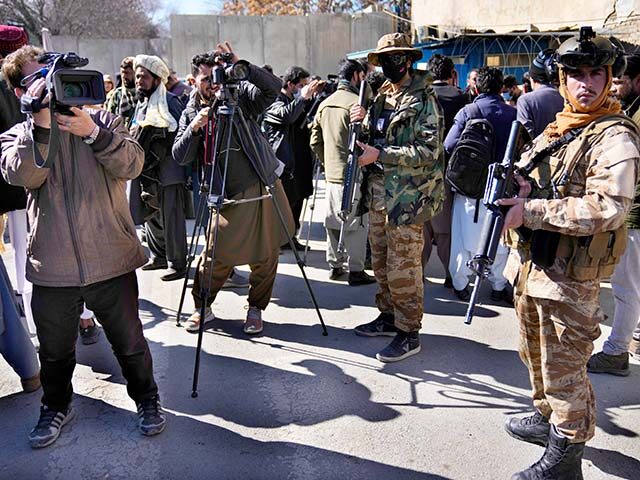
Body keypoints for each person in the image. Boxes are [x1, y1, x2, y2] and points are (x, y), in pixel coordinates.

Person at [1, 45, 166, 448]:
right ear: (20, 91)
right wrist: (41, 127)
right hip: (53, 264)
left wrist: (92, 132)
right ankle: (55, 405)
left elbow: (132, 165)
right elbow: (20, 175)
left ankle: (147, 399)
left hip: (110, 256)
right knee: (55, 352)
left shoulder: (103, 118)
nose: (49, 86)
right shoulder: (17, 134)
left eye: (51, 75)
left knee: (130, 342)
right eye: (37, 79)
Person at [499, 31, 640, 478]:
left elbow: (608, 208)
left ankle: (566, 456)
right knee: (534, 354)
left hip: (571, 277)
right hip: (535, 266)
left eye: (595, 73)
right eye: (575, 74)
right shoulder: (563, 125)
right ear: (561, 79)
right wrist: (523, 187)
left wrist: (532, 210)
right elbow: (547, 177)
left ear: (610, 77)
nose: (585, 83)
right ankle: (547, 419)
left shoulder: (614, 136)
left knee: (565, 368)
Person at [172, 42, 294, 334]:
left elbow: (273, 88)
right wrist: (195, 128)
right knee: (215, 256)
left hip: (260, 184)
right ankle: (203, 307)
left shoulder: (242, 97)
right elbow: (179, 154)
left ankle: (255, 308)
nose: (214, 84)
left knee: (266, 255)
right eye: (206, 79)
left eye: (217, 76)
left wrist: (242, 65)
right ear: (194, 82)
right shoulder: (191, 112)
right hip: (223, 194)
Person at [350, 33, 444, 363]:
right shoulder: (381, 98)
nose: (389, 64)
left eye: (394, 58)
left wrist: (382, 155)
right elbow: (373, 139)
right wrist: (360, 126)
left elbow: (428, 151)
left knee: (404, 267)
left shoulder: (422, 99)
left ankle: (409, 331)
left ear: (406, 60)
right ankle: (389, 316)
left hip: (407, 199)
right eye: (384, 59)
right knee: (380, 262)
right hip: (379, 195)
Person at [587, 54, 640, 375]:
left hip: (633, 213)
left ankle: (616, 351)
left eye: (619, 82)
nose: (614, 88)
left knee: (625, 287)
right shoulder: (631, 111)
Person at [445, 67, 516, 303]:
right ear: (502, 88)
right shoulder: (512, 113)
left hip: (469, 187)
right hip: (501, 187)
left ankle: (461, 284)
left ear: (476, 87)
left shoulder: (469, 111)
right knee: (499, 239)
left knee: (462, 239)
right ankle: (498, 285)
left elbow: (449, 144)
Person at [309, 59, 375, 286]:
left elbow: (314, 140)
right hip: (355, 170)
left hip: (332, 172)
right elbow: (368, 136)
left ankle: (335, 264)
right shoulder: (357, 103)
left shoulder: (325, 103)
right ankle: (356, 269)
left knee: (332, 221)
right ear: (357, 75)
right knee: (356, 222)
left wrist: (328, 161)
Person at [130, 55, 187, 282]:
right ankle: (159, 255)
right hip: (147, 169)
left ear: (157, 78)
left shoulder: (171, 101)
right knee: (150, 214)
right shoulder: (142, 102)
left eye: (144, 77)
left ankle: (177, 262)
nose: (139, 81)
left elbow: (180, 134)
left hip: (168, 170)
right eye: (137, 76)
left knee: (171, 217)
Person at [262, 66, 322, 250]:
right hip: (284, 164)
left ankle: (290, 237)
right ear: (290, 85)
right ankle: (276, 241)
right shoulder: (275, 102)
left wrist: (314, 98)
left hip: (300, 161)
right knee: (283, 203)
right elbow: (286, 117)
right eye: (301, 85)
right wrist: (303, 97)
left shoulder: (294, 101)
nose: (304, 88)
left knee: (298, 200)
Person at [424, 53, 467, 287]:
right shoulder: (462, 98)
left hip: (420, 169)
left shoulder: (420, 96)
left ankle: (417, 273)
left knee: (421, 226)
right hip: (450, 170)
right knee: (446, 230)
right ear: (452, 75)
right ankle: (452, 276)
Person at [517, 49, 565, 138]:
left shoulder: (525, 101)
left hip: (538, 150)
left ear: (532, 78)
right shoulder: (565, 96)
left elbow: (525, 137)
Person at [105, 56, 136, 127]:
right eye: (122, 73)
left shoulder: (144, 94)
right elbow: (109, 120)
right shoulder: (117, 95)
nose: (124, 76)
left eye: (127, 73)